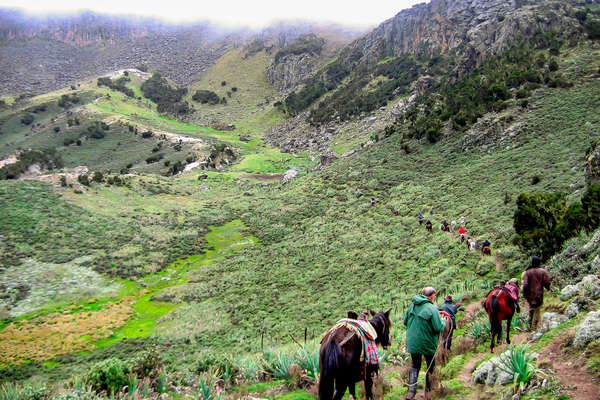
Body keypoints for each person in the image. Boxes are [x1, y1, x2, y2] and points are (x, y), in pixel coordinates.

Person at [404, 287, 444, 400]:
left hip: (413, 343)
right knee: (430, 366)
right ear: (431, 296)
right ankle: (428, 392)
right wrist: (444, 321)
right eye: (434, 296)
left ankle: (411, 393)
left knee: (415, 365)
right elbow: (438, 327)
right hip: (427, 343)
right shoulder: (432, 308)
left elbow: (404, 321)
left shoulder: (412, 305)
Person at [521, 256, 551, 331]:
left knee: (532, 309)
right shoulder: (542, 271)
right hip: (539, 294)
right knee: (537, 310)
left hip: (529, 295)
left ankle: (530, 325)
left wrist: (524, 294)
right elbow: (547, 282)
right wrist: (548, 288)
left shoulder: (527, 272)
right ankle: (534, 328)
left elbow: (525, 285)